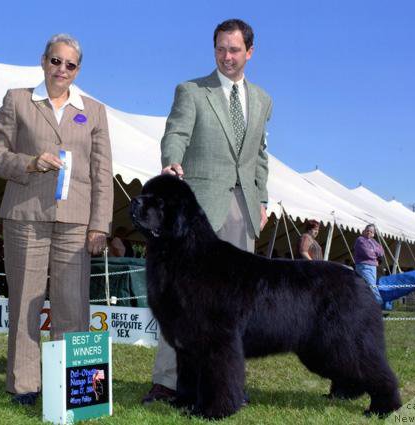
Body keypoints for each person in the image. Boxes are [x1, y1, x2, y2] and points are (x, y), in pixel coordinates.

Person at [142, 18, 273, 404]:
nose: (226, 56)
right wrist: (170, 162)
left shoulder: (263, 100)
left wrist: (261, 199)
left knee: (232, 312)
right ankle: (167, 382)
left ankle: (225, 385)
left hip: (244, 210)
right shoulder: (192, 91)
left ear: (250, 51)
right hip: (198, 215)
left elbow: (260, 156)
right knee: (180, 303)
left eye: (234, 50)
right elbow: (176, 132)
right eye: (220, 49)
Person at [0, 34, 113, 406]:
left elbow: (102, 174)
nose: (62, 70)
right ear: (43, 61)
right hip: (25, 217)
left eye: (70, 65)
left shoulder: (95, 111)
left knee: (73, 305)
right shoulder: (18, 100)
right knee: (26, 301)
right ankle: (25, 386)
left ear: (78, 70)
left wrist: (100, 225)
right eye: (56, 61)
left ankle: (75, 391)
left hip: (76, 222)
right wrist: (28, 162)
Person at [354, 224, 384, 305]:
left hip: (373, 268)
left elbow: (381, 251)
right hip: (363, 267)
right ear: (364, 231)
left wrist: (374, 251)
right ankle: (379, 306)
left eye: (371, 231)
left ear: (373, 234)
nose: (369, 233)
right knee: (372, 286)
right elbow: (368, 253)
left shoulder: (373, 241)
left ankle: (367, 307)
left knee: (369, 287)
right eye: (367, 230)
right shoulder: (360, 240)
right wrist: (375, 257)